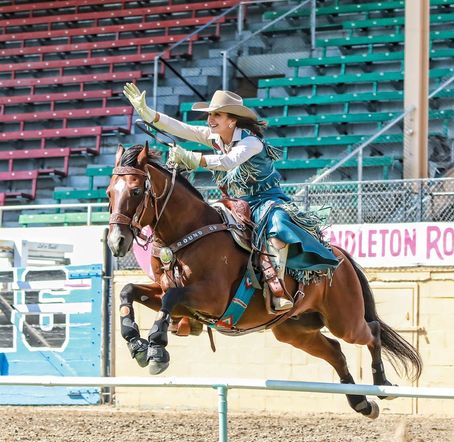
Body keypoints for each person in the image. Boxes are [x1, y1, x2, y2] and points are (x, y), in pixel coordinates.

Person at [123, 83, 339, 311]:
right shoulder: (215, 137)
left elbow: (228, 162)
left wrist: (194, 159)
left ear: (232, 120)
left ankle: (278, 287)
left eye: (217, 114)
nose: (210, 120)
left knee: (277, 224)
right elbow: (182, 128)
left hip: (266, 200)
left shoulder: (252, 142)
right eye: (210, 115)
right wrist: (148, 114)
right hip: (235, 203)